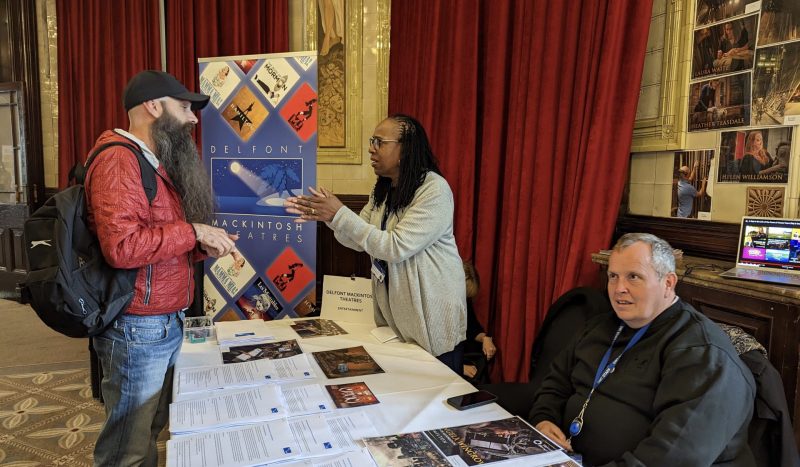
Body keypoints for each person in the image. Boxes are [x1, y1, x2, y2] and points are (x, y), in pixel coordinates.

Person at [86, 70, 239, 466]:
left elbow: (156, 243)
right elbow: (122, 248)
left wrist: (199, 244)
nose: (192, 118)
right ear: (153, 107)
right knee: (128, 448)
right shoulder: (120, 160)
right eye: (184, 107)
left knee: (150, 430)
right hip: (138, 329)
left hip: (163, 321)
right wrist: (192, 230)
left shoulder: (151, 163)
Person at [529, 233, 756, 466]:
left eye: (633, 277)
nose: (619, 289)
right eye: (613, 276)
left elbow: (672, 458)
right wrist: (543, 419)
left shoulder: (705, 355)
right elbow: (555, 383)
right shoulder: (599, 326)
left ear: (668, 283)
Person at [285, 114, 467, 372]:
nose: (371, 148)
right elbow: (357, 240)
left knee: (436, 399)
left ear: (406, 148)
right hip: (399, 323)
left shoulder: (434, 190)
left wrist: (339, 214)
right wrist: (329, 217)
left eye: (379, 142)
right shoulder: (382, 189)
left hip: (432, 321)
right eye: (372, 141)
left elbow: (395, 247)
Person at [462, 260, 496, 381]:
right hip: (443, 360)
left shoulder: (464, 300)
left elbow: (472, 328)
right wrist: (458, 367)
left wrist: (486, 338)